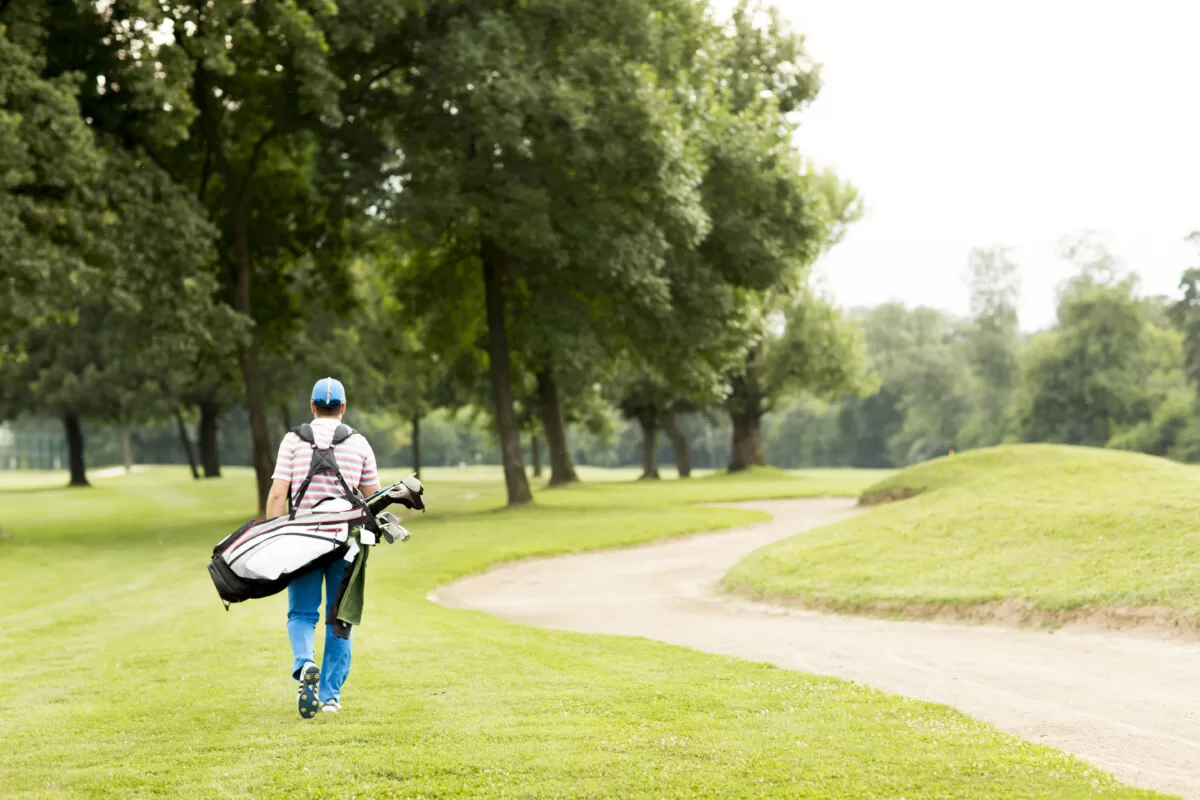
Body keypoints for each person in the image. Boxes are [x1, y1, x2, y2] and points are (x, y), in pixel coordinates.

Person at [266, 377, 381, 718]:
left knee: (302, 614)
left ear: (312, 406)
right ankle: (330, 697)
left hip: (303, 540)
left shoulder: (292, 440)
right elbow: (373, 498)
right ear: (343, 407)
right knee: (339, 618)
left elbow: (277, 495)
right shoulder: (359, 443)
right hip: (345, 542)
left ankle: (305, 664)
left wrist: (274, 538)